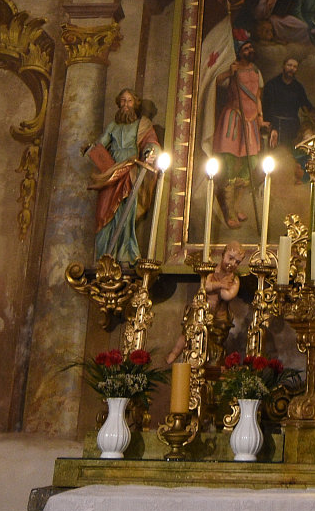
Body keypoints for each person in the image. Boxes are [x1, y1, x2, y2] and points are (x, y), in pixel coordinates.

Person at [87, 90, 164, 265]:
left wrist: (150, 152)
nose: (126, 105)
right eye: (123, 101)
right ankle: (104, 254)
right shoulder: (113, 126)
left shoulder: (142, 125)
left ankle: (124, 253)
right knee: (104, 210)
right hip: (110, 171)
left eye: (129, 101)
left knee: (125, 211)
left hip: (129, 169)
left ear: (135, 104)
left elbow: (151, 143)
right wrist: (91, 149)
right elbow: (101, 144)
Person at [211, 34, 268, 226]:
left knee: (250, 164)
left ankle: (235, 206)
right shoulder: (233, 70)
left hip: (251, 124)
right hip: (233, 122)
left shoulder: (257, 71)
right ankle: (229, 212)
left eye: (250, 48)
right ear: (239, 52)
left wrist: (260, 118)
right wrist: (229, 73)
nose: (250, 51)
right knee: (229, 166)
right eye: (245, 49)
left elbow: (257, 97)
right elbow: (215, 82)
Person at [165, 243, 247, 364]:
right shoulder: (211, 270)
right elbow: (205, 286)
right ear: (222, 255)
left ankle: (208, 361)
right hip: (201, 309)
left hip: (219, 316)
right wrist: (221, 284)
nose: (233, 263)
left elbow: (227, 296)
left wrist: (222, 286)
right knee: (188, 331)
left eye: (237, 262)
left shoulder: (234, 280)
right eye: (230, 258)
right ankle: (174, 353)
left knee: (214, 341)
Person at [261, 57, 311, 154]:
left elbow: (306, 105)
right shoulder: (272, 85)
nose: (292, 68)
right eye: (289, 65)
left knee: (291, 154)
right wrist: (273, 128)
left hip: (292, 127)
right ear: (283, 66)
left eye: (295, 67)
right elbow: (267, 108)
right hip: (275, 126)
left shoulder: (298, 87)